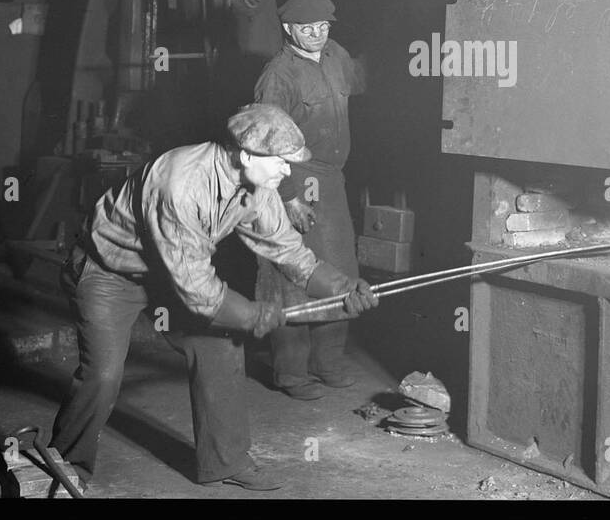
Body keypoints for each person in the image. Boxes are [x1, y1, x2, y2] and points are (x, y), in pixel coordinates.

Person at [50, 103, 377, 492]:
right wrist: (253, 314)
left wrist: (341, 288)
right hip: (108, 273)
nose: (288, 171)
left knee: (220, 347)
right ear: (245, 155)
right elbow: (200, 292)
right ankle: (65, 463)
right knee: (103, 375)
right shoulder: (181, 184)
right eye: (281, 162)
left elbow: (288, 250)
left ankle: (226, 461)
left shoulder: (259, 185)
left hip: (166, 275)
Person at [254, 0, 367, 400]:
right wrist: (288, 197)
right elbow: (265, 140)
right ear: (288, 29)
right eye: (307, 28)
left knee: (339, 270)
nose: (317, 34)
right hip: (294, 178)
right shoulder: (277, 76)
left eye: (322, 26)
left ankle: (328, 363)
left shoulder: (336, 55)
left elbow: (363, 81)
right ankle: (291, 374)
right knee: (292, 277)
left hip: (332, 180)